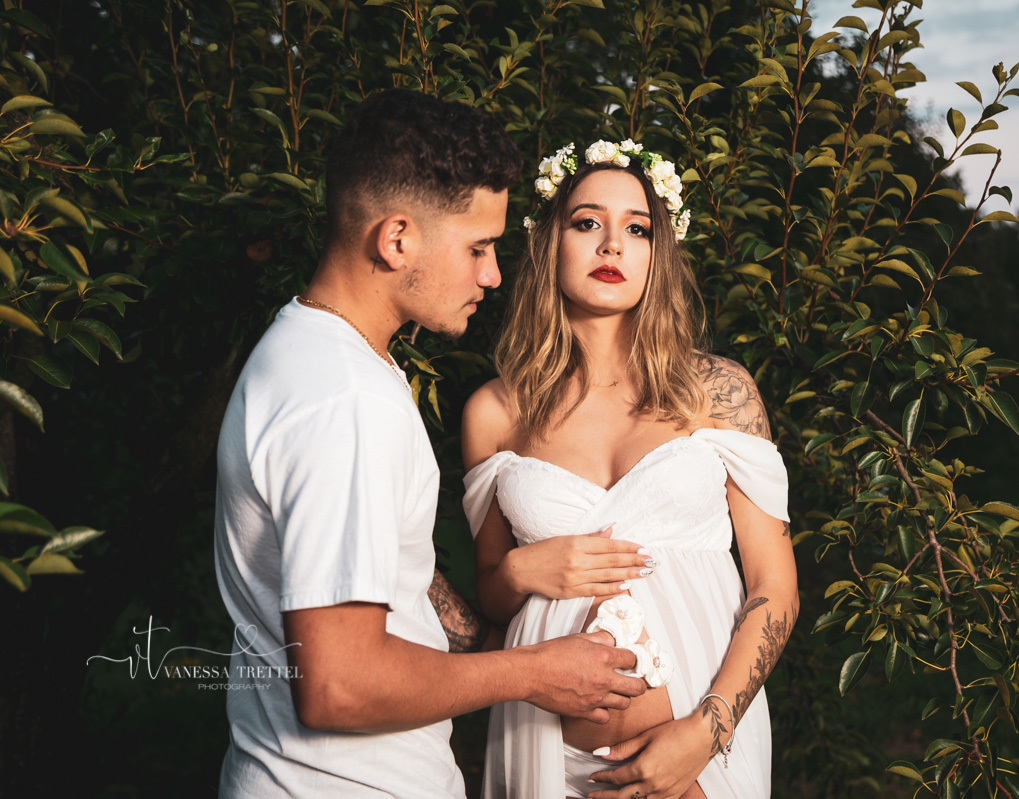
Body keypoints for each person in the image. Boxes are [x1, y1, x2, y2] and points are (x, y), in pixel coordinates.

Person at [212, 91, 648, 799]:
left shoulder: (308, 350)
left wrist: (509, 623)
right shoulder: (344, 400)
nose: (493, 275)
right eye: (477, 247)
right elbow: (340, 685)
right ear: (396, 239)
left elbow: (391, 577)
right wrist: (535, 672)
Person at [461, 140, 800, 798]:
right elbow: (492, 596)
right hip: (542, 743)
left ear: (657, 252)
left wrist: (708, 729)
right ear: (548, 242)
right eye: (588, 222)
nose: (612, 245)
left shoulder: (717, 390)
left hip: (695, 745)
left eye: (637, 228)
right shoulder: (496, 411)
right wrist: (518, 571)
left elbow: (775, 585)